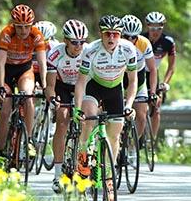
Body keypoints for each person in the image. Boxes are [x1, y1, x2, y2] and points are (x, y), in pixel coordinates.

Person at [74, 15, 137, 186]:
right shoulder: (91, 50)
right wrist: (77, 109)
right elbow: (80, 82)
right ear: (101, 34)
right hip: (94, 86)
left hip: (115, 89)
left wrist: (129, 105)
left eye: (115, 34)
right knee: (88, 121)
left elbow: (132, 81)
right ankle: (83, 158)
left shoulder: (128, 49)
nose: (111, 38)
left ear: (120, 35)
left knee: (115, 134)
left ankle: (108, 173)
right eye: (107, 34)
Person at [0, 4, 46, 165]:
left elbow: (43, 64)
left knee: (29, 97)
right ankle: (1, 152)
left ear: (32, 25)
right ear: (13, 25)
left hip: (24, 69)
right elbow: (0, 63)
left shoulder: (36, 35)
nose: (23, 31)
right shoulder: (7, 34)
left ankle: (29, 141)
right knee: (5, 109)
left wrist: (44, 86)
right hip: (7, 71)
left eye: (26, 27)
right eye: (20, 27)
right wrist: (0, 87)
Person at [45, 19, 89, 193]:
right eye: (74, 42)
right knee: (62, 121)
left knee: (88, 120)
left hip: (83, 85)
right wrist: (53, 99)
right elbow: (49, 86)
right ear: (65, 40)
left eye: (81, 42)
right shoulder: (55, 54)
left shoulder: (88, 52)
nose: (78, 46)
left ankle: (86, 163)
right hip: (62, 87)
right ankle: (57, 174)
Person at [121, 15, 157, 139]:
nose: (130, 40)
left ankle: (132, 145)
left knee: (141, 117)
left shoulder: (144, 43)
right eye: (126, 36)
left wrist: (152, 92)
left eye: (133, 37)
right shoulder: (115, 42)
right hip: (119, 79)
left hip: (138, 79)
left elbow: (152, 69)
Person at [143, 11, 176, 139]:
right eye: (152, 28)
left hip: (154, 75)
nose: (155, 31)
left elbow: (171, 67)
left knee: (156, 107)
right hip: (140, 74)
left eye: (159, 28)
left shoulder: (168, 42)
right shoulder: (141, 39)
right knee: (140, 107)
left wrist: (165, 83)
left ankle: (152, 140)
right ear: (147, 27)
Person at [32, 20, 59, 88]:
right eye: (39, 41)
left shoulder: (55, 46)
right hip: (31, 73)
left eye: (45, 41)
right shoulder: (28, 44)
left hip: (48, 72)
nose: (42, 44)